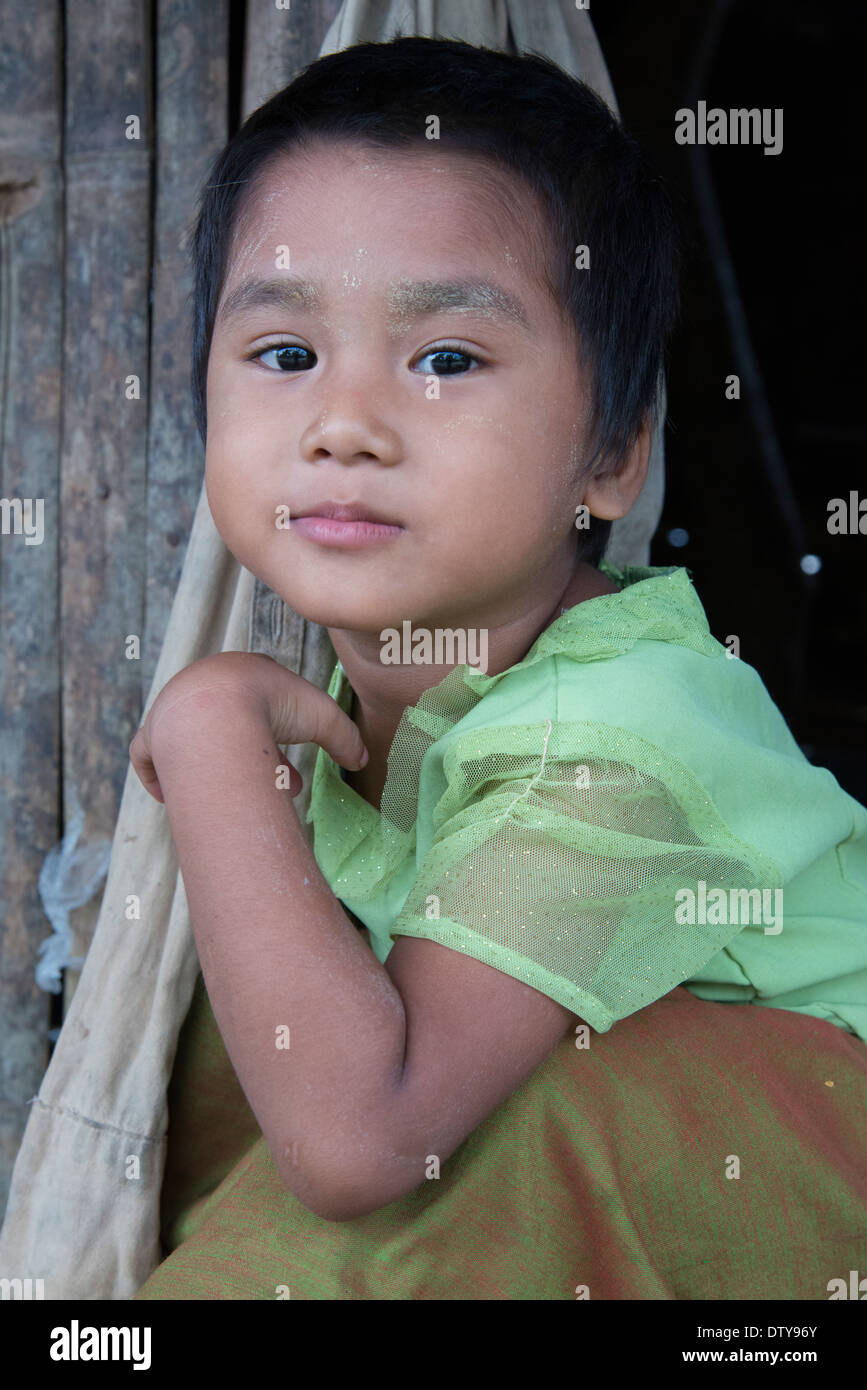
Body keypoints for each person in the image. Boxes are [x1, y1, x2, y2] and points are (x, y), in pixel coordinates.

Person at [131, 36, 867, 1300]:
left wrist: (205, 740)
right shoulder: (381, 697)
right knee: (219, 1028)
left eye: (448, 361)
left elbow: (364, 1139)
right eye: (287, 354)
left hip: (816, 1162)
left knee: (534, 1114)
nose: (345, 424)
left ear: (613, 458)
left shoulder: (621, 735)